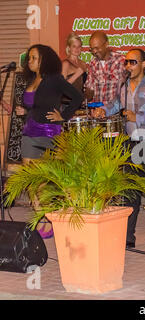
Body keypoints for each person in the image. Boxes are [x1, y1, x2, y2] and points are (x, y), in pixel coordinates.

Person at [92, 48, 145, 255]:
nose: (128, 66)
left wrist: (137, 118)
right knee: (130, 194)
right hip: (131, 145)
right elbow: (115, 106)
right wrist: (104, 109)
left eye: (133, 62)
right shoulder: (124, 87)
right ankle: (128, 238)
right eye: (126, 62)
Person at [17, 44, 83, 238]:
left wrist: (63, 116)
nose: (30, 61)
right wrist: (25, 111)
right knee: (30, 180)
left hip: (48, 133)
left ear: (44, 59)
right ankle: (41, 218)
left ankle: (54, 216)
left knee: (45, 181)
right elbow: (36, 106)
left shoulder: (54, 79)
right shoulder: (31, 80)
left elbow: (76, 97)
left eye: (34, 58)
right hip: (29, 131)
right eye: (29, 58)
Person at [84, 31, 125, 106]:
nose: (94, 51)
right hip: (97, 112)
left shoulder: (121, 61)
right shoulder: (93, 63)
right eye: (92, 49)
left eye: (97, 48)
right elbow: (89, 90)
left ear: (106, 44)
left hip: (115, 112)